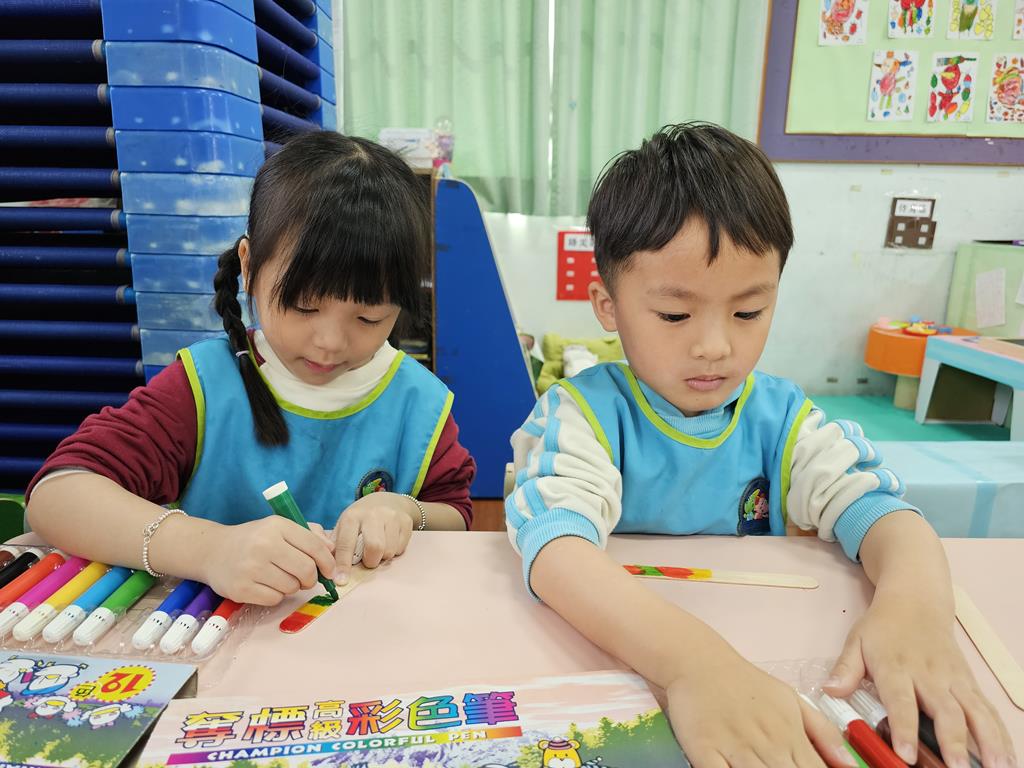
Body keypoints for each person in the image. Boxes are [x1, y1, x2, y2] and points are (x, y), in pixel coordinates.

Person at [505, 123, 1014, 768]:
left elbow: (884, 513)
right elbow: (557, 552)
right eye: (675, 315)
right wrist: (693, 665)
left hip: (771, 659)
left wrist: (915, 609)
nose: (715, 346)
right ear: (607, 305)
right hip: (624, 665)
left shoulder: (783, 420)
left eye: (748, 312)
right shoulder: (583, 416)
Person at [27, 132, 476, 607]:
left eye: (369, 318)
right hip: (208, 633)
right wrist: (207, 549)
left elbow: (456, 515)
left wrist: (405, 509)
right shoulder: (203, 386)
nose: (330, 342)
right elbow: (55, 496)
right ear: (249, 266)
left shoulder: (419, 402)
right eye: (304, 306)